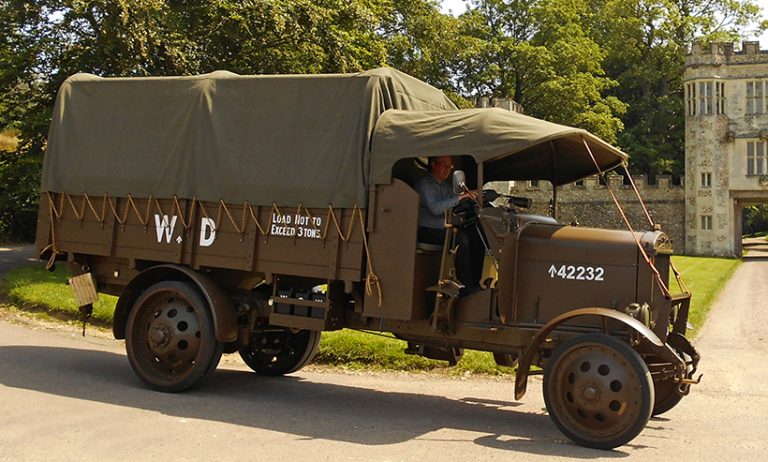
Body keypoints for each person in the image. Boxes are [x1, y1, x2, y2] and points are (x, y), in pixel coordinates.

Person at [414, 156, 484, 295]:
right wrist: (460, 197)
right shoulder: (424, 185)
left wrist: (469, 199)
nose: (447, 170)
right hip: (426, 230)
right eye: (444, 165)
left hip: (442, 229)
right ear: (433, 165)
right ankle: (466, 286)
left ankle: (475, 283)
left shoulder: (445, 187)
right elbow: (436, 208)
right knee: (461, 239)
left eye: (449, 167)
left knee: (477, 237)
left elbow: (454, 203)